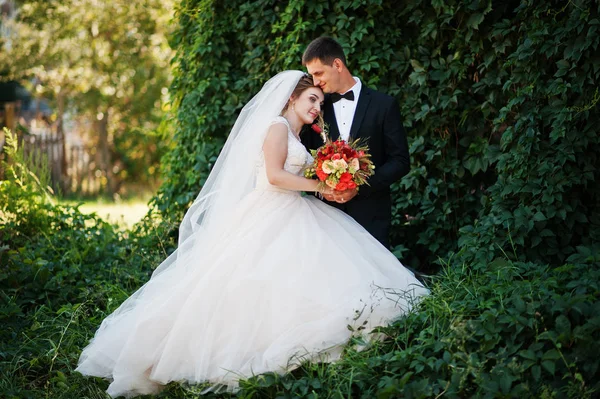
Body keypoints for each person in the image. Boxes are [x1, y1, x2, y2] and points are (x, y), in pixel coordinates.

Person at [76, 71, 427, 398]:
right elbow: (274, 176)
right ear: (292, 98)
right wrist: (320, 184)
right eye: (312, 100)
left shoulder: (295, 135)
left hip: (294, 208)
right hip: (270, 209)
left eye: (320, 103)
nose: (317, 108)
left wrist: (336, 179)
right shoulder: (275, 127)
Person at [302, 37, 410, 248]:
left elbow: (400, 161)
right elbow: (304, 157)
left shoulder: (384, 105)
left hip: (371, 216)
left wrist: (359, 187)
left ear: (337, 64)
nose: (315, 83)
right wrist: (322, 187)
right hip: (326, 218)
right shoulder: (316, 109)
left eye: (318, 73)